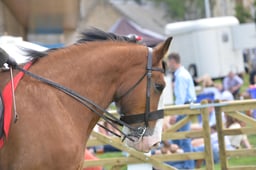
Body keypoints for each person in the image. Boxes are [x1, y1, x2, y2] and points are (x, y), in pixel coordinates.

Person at [166, 52, 196, 169]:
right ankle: (185, 163)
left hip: (183, 107)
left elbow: (181, 97)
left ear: (173, 61)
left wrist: (175, 113)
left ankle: (189, 166)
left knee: (183, 138)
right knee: (179, 138)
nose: (168, 65)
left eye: (169, 63)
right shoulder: (183, 73)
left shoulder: (180, 76)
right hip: (186, 107)